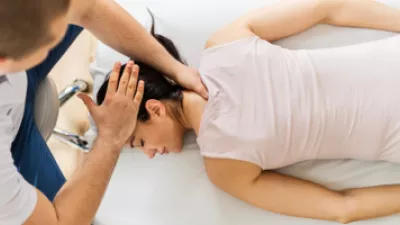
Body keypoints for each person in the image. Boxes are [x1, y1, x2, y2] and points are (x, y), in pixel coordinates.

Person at [97, 0, 400, 223]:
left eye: (139, 141)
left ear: (154, 109)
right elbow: (332, 7)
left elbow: (342, 209)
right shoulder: (224, 44)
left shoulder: (226, 169)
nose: (149, 153)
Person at [0, 0, 208, 224]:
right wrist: (110, 138)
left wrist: (175, 69)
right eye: (48, 43)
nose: (148, 152)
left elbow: (88, 9)